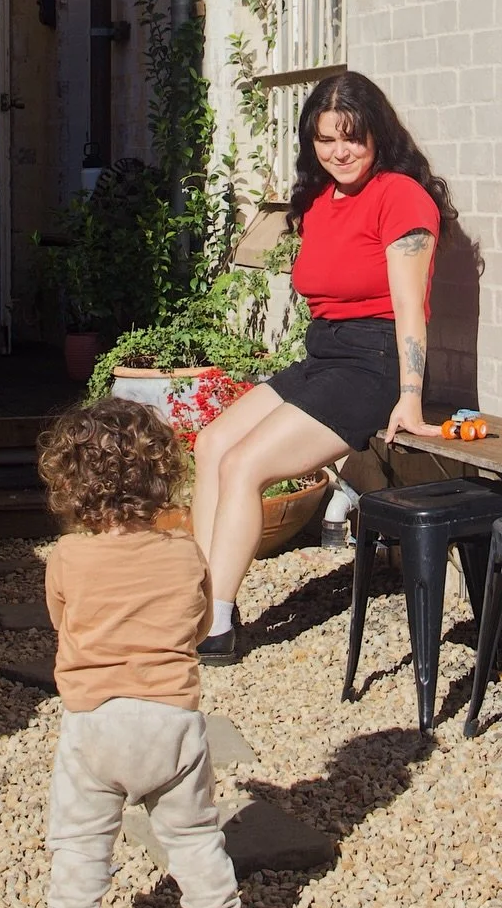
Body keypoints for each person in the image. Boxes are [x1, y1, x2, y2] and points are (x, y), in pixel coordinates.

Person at [191, 71, 461, 664]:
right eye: (325, 139)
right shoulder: (319, 200)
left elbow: (412, 309)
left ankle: (218, 624)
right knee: (211, 444)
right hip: (324, 354)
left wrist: (409, 397)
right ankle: (196, 601)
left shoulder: (400, 197)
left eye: (352, 138)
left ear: (377, 136)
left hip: (374, 364)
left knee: (244, 465)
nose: (340, 152)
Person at [27, 400, 268, 908]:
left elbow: (64, 624)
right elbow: (203, 625)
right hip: (172, 721)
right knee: (194, 838)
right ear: (161, 474)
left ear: (69, 482)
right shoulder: (185, 552)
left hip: (94, 723)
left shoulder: (67, 556)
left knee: (81, 842)